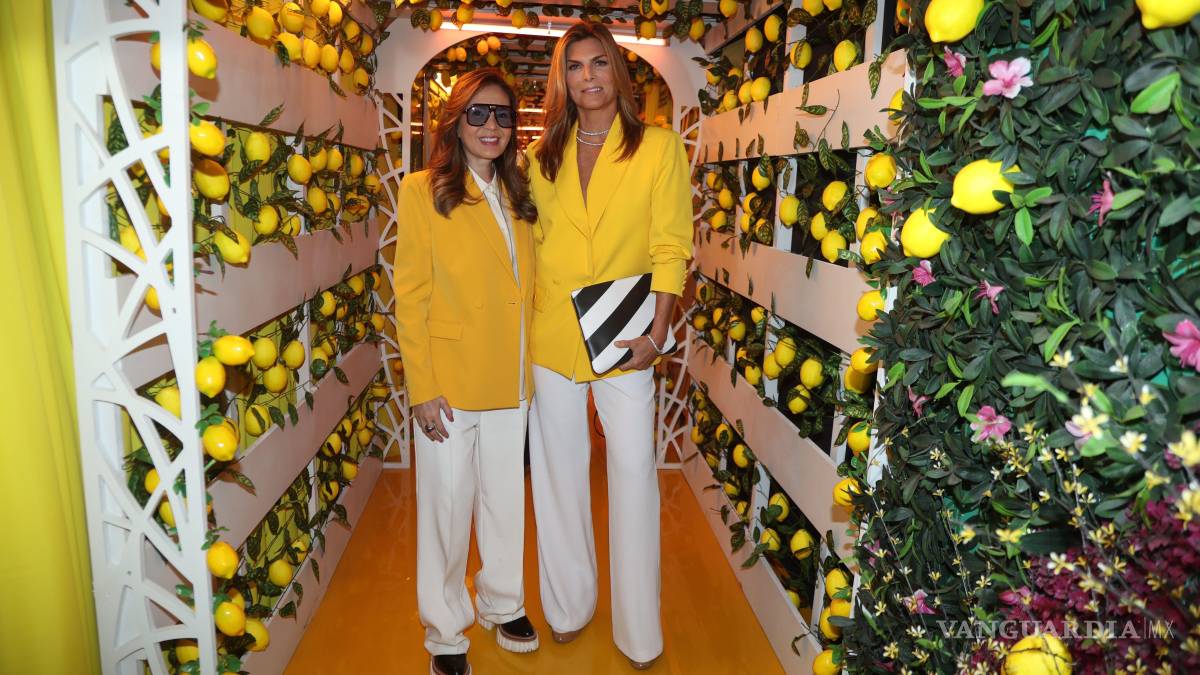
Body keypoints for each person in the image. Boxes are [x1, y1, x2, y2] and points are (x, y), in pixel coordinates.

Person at [525, 23, 694, 670]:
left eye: (599, 63)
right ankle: (568, 607)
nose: (588, 76)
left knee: (632, 472)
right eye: (574, 66)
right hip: (551, 336)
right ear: (562, 79)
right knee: (559, 477)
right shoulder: (540, 155)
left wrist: (658, 332)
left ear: (618, 73)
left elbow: (670, 244)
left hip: (627, 335)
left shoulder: (658, 147)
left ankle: (639, 631)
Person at [393, 68, 539, 675]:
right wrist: (421, 388)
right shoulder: (423, 190)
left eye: (502, 114)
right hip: (449, 382)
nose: (490, 126)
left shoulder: (520, 193)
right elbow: (410, 296)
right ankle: (446, 633)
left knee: (505, 501)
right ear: (455, 122)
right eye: (478, 113)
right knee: (448, 512)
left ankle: (503, 602)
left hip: (511, 376)